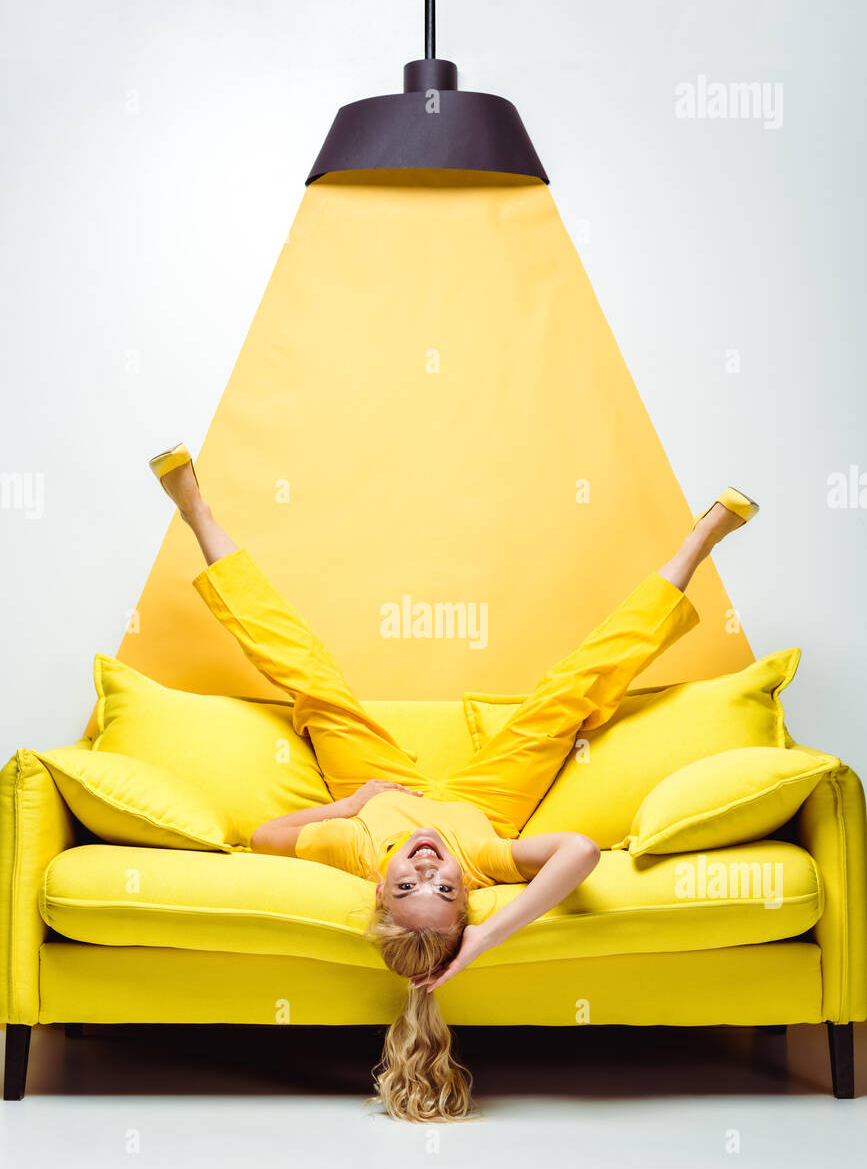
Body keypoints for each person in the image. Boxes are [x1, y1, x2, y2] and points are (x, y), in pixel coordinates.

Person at [150, 444, 758, 1121]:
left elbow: (267, 837)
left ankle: (196, 512)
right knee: (571, 691)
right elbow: (581, 853)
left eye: (407, 884)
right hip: (487, 797)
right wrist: (487, 938)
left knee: (310, 677)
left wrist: (354, 803)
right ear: (467, 894)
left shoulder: (353, 850)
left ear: (379, 890)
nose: (427, 864)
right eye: (444, 890)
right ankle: (695, 545)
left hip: (374, 785)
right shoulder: (481, 860)